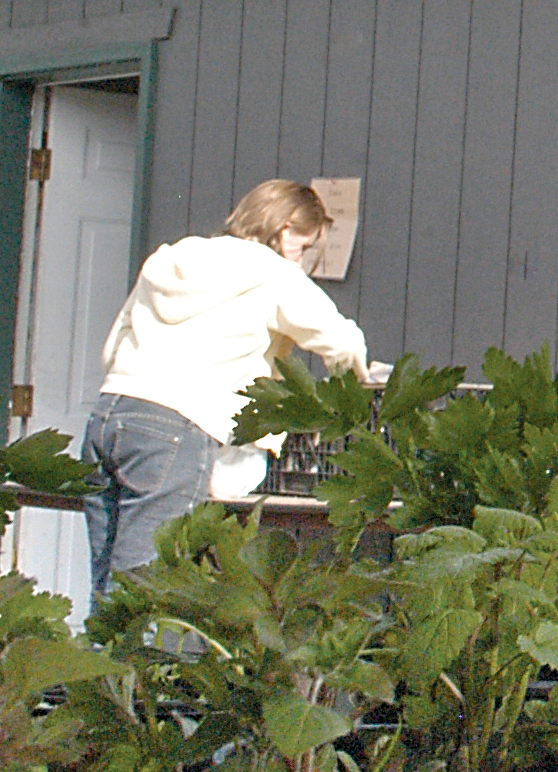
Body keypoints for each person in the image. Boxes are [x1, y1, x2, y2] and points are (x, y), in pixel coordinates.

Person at [80, 178, 372, 590]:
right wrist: (355, 384)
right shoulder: (273, 273)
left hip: (110, 415)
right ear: (286, 227)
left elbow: (115, 344)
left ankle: (93, 652)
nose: (302, 260)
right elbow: (340, 341)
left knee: (105, 580)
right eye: (304, 247)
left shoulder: (171, 259)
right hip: (175, 429)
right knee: (143, 590)